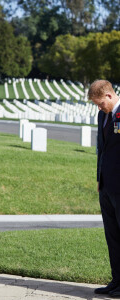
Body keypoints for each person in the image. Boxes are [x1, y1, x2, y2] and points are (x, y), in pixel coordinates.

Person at [89, 79, 120, 297]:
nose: (99, 108)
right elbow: (103, 149)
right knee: (113, 237)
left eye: (100, 103)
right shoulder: (102, 116)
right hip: (106, 186)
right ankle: (117, 281)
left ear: (109, 95)